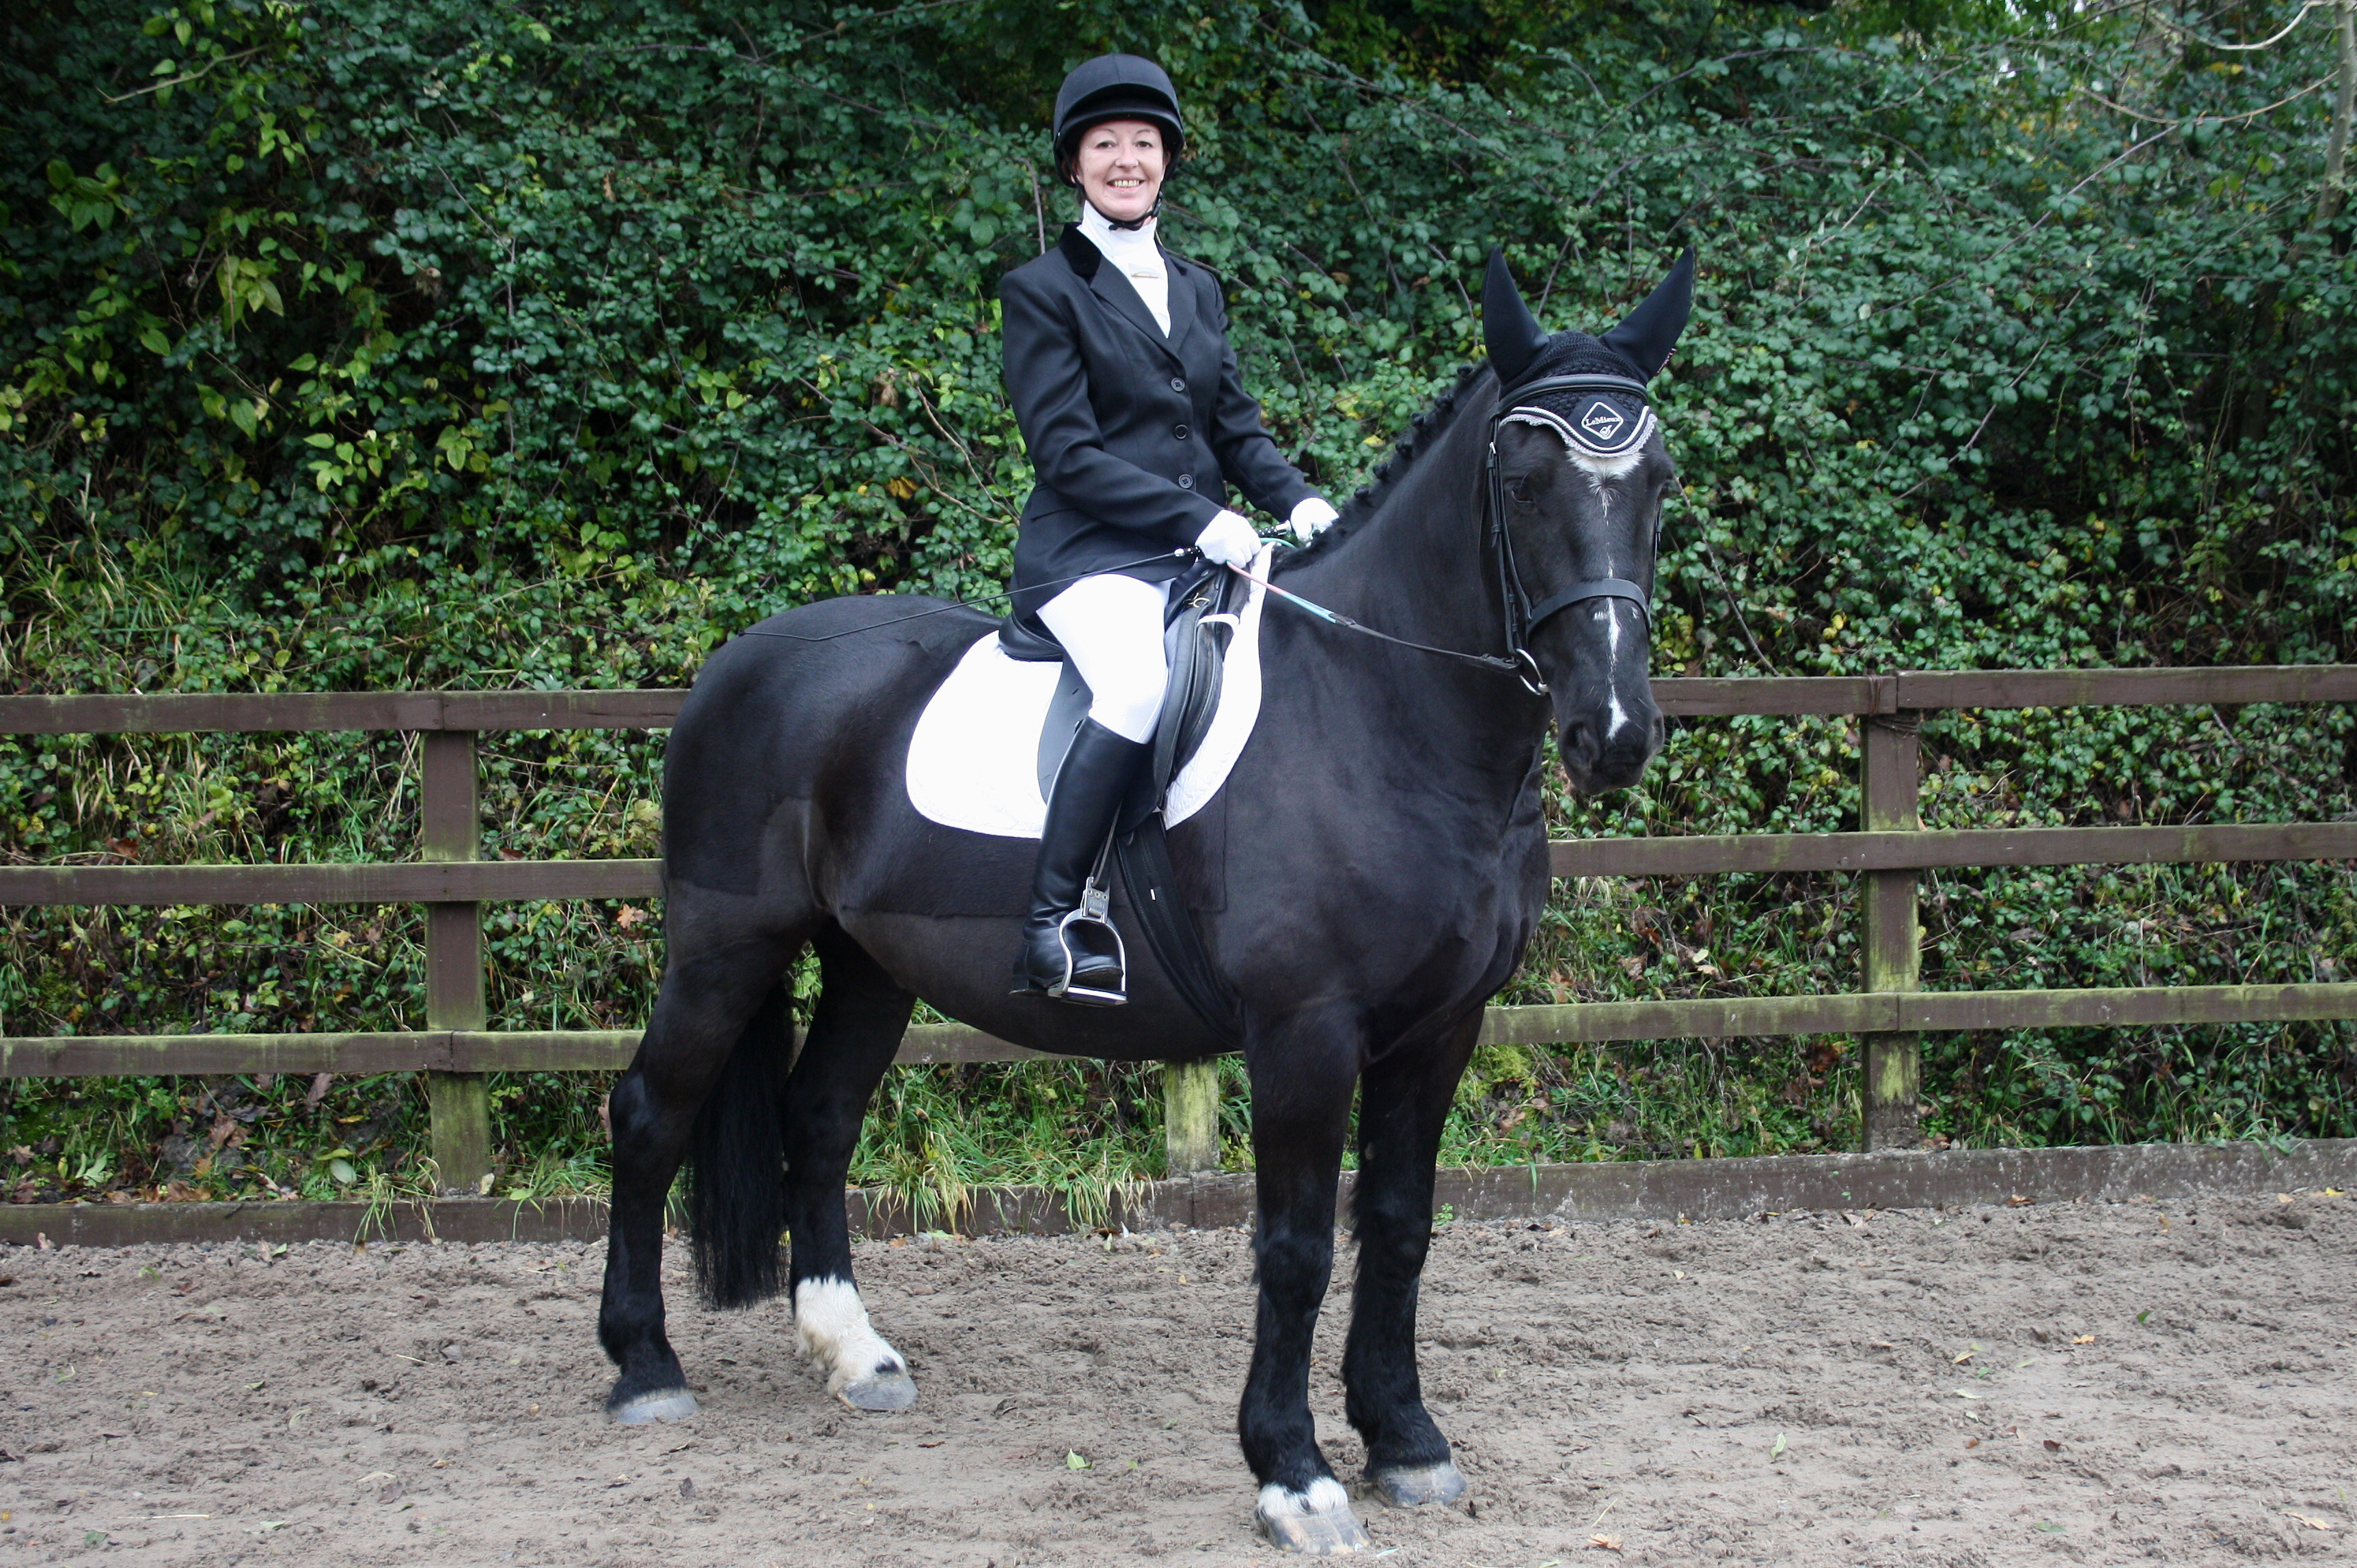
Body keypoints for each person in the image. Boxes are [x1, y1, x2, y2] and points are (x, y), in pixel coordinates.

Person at [998, 53, 1337, 1006]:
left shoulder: (1196, 287)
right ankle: (1053, 924)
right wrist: (1202, 519)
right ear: (1075, 165)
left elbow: (1233, 427)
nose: (1126, 160)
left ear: (1167, 160)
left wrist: (1297, 501)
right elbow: (1066, 454)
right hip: (1086, 558)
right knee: (1140, 683)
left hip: (1196, 557)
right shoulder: (1042, 288)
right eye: (1104, 144)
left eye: (1143, 143)